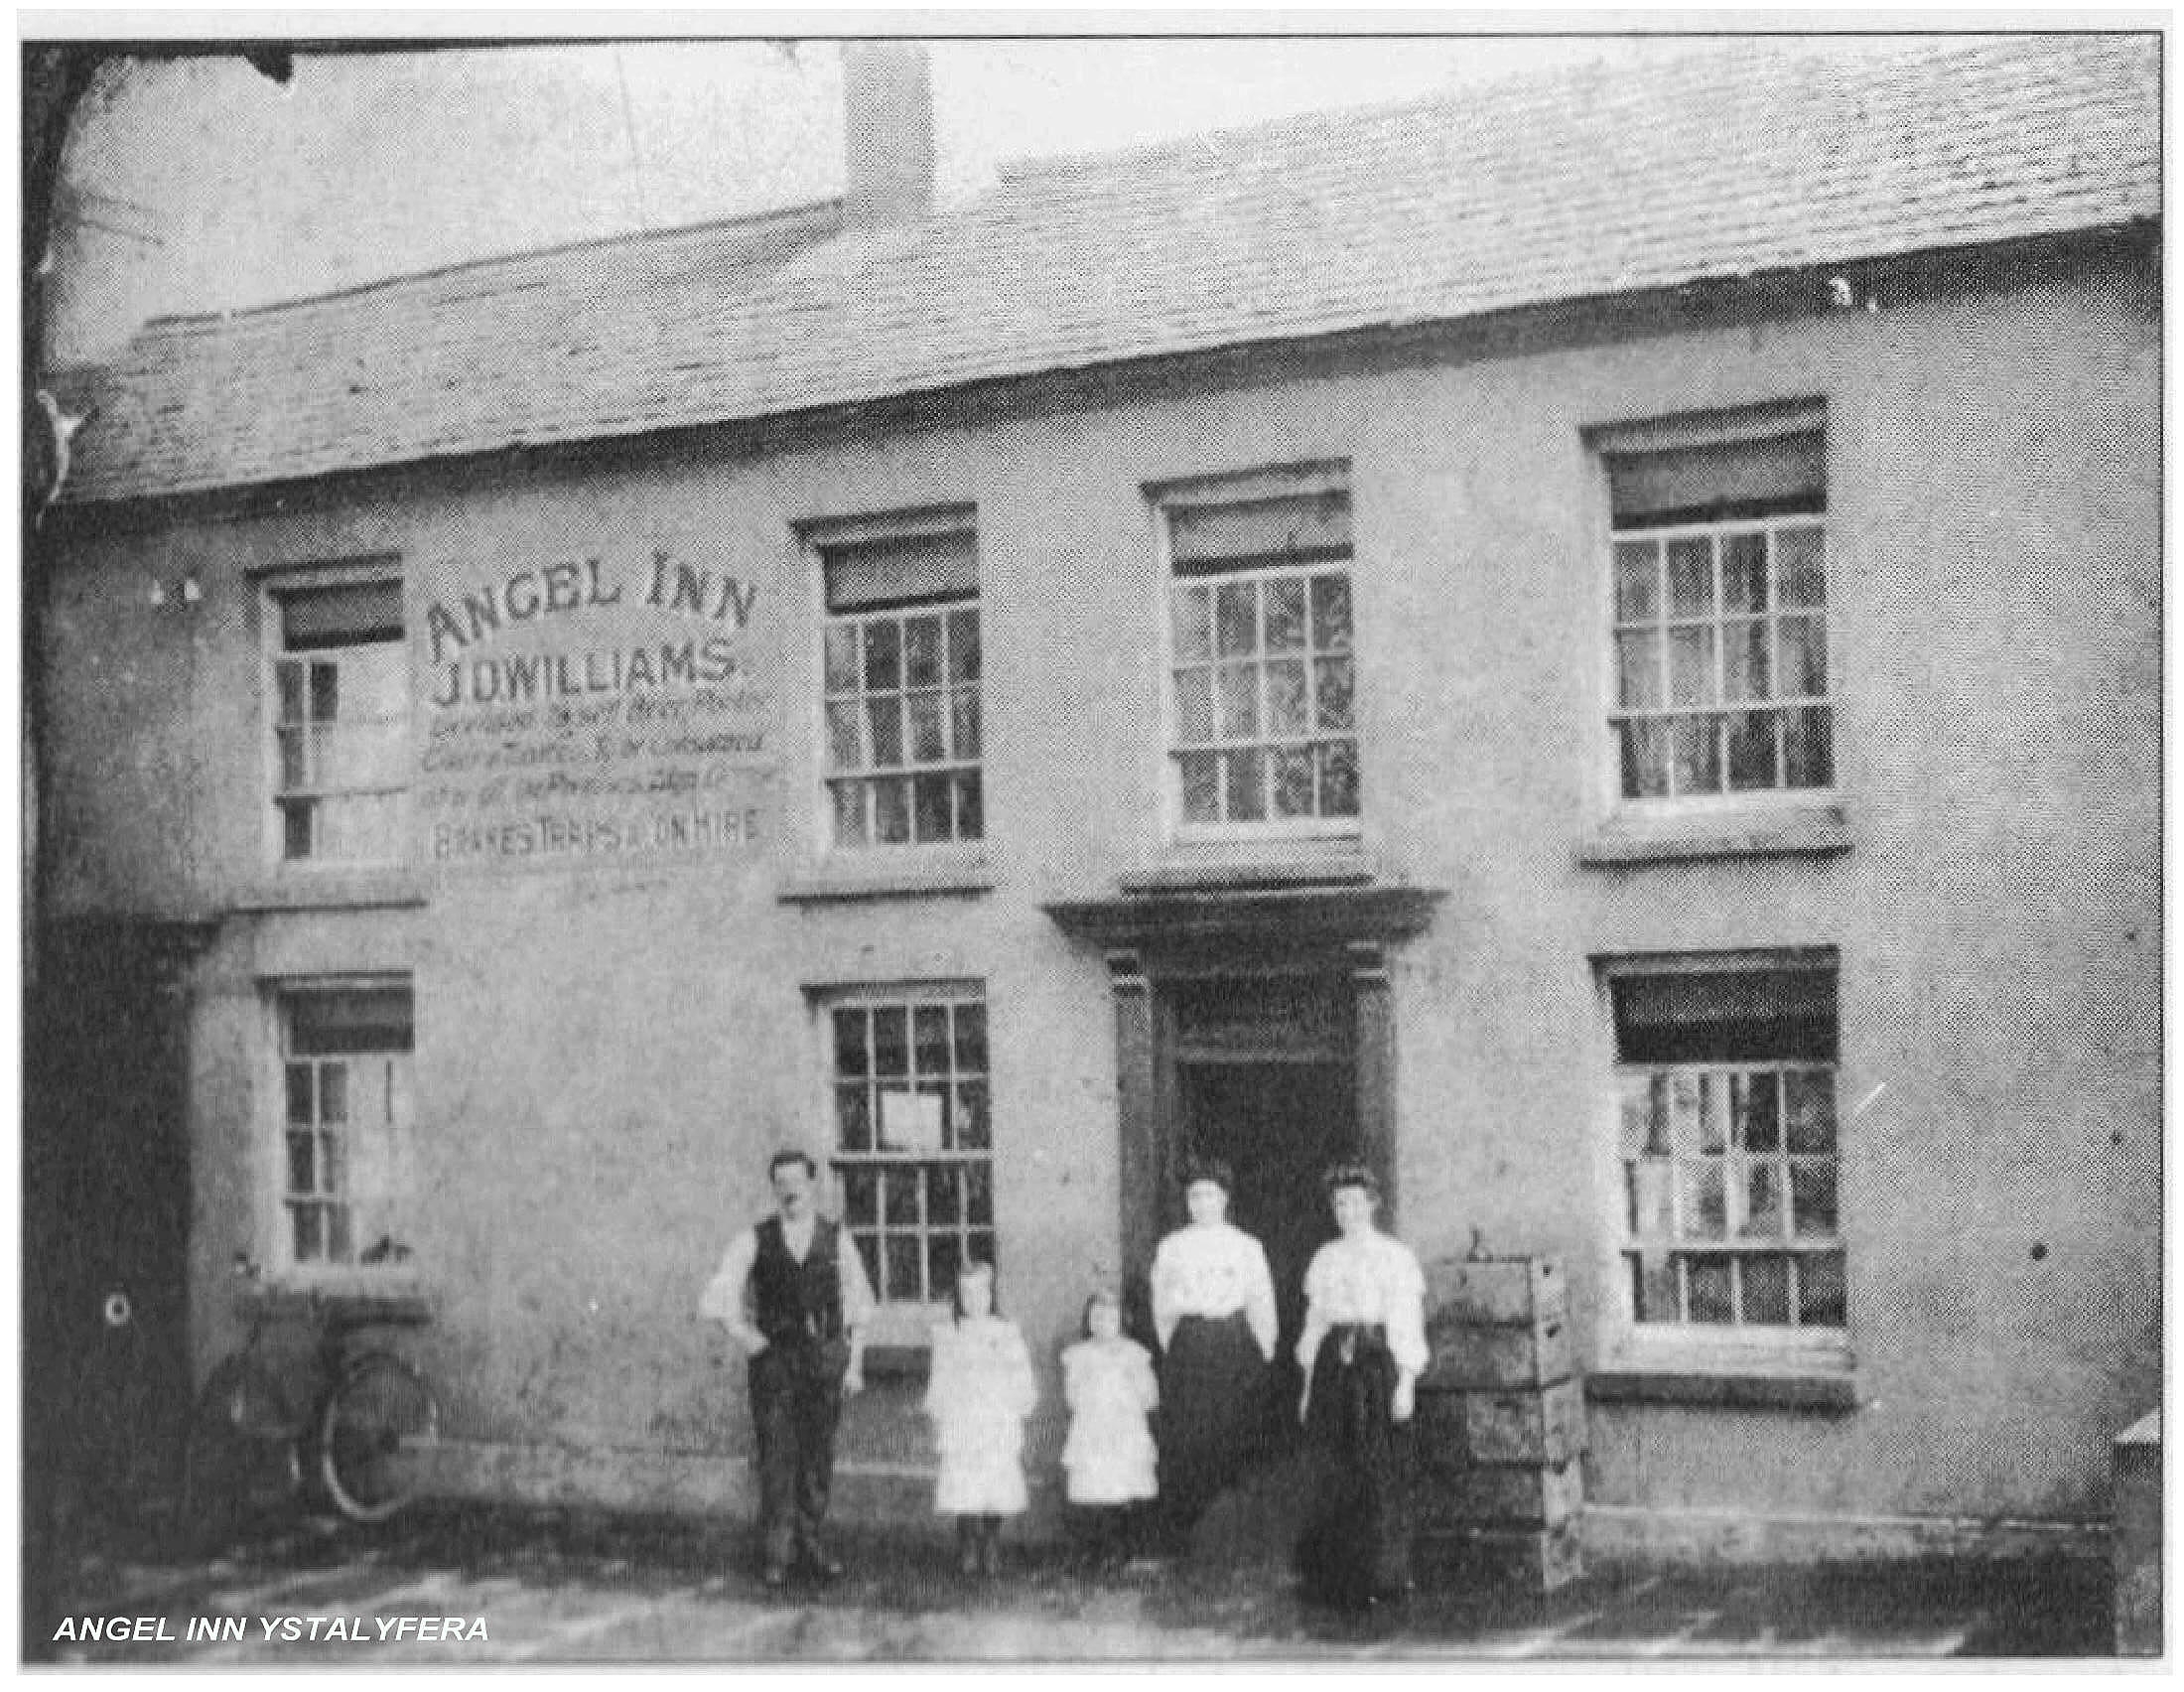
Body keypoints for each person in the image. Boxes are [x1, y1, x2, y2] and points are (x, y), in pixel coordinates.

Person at [699, 1148, 873, 1589]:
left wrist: (853, 1366)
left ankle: (811, 1547)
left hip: (823, 1359)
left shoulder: (837, 1239)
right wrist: (745, 1337)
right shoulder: (755, 1238)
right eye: (781, 1182)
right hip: (775, 1364)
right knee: (777, 1457)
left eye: (798, 1180)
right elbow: (718, 1297)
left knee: (817, 1457)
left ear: (813, 1184)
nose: (790, 1189)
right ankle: (776, 1553)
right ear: (774, 1188)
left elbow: (860, 1307)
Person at [1293, 1162, 1429, 1611]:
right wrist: (1308, 1384)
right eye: (1338, 1203)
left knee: (1379, 1466)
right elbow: (1315, 1324)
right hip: (1335, 1367)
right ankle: (1338, 1574)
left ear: (1372, 1204)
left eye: (1354, 1201)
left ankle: (1384, 1573)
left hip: (1376, 1367)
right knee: (1336, 1465)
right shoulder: (1325, 1258)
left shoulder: (1394, 1257)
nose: (1346, 1210)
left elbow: (1406, 1320)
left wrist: (1405, 1381)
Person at [1148, 1158, 1279, 1538]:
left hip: (1234, 1343)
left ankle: (1235, 1529)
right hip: (1191, 1344)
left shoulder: (1245, 1246)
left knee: (1234, 1428)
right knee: (1191, 1432)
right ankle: (1192, 1527)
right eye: (1194, 1196)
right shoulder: (1172, 1246)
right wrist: (1178, 1344)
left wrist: (1262, 1348)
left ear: (1224, 1199)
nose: (1201, 1203)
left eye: (1209, 1195)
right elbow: (1162, 1303)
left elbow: (1260, 1299)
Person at [924, 1260, 1038, 1577]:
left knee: (994, 1481)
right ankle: (968, 1542)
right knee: (964, 1481)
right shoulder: (949, 1334)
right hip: (963, 1417)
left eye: (981, 1293)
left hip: (995, 1416)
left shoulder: (1006, 1332)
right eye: (967, 1293)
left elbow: (1020, 1372)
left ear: (991, 1295)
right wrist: (939, 1411)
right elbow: (941, 1376)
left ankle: (991, 1541)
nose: (974, 1300)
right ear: (959, 1297)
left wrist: (1019, 1402)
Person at [1059, 1288, 1160, 1565]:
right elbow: (1072, 1398)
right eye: (1097, 1317)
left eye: (1110, 1317)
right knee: (1094, 1487)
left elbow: (1150, 1398)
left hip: (1124, 1429)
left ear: (1121, 1321)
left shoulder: (1134, 1354)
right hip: (1092, 1428)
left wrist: (1131, 1380)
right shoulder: (1079, 1355)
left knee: (1121, 1486)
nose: (1103, 1323)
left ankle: (1121, 1549)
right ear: (1089, 1322)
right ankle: (1095, 1548)